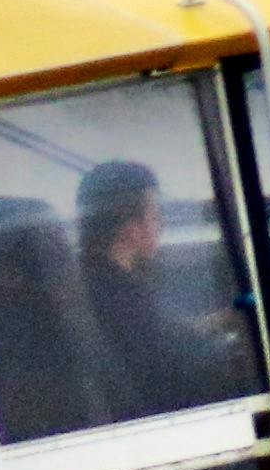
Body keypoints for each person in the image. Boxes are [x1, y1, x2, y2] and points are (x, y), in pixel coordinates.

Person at [73, 155, 254, 415]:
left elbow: (171, 334)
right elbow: (194, 366)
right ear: (131, 228)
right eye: (155, 216)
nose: (160, 226)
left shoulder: (94, 280)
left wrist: (225, 318)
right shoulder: (123, 299)